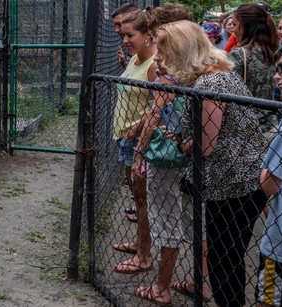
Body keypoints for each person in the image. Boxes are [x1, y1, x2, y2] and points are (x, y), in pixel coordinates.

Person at [155, 20, 268, 307]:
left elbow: (206, 145)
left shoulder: (210, 82)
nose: (157, 57)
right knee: (224, 254)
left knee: (224, 257)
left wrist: (183, 141)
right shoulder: (212, 77)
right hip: (232, 181)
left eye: (162, 50)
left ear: (180, 51)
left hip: (234, 184)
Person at [129, 5, 212, 304]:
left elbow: (155, 114)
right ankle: (200, 283)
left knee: (166, 221)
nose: (158, 57)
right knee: (194, 220)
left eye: (162, 49)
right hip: (194, 160)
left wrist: (139, 152)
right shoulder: (204, 76)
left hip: (167, 160)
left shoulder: (168, 75)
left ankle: (161, 288)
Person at [110, 9, 156, 275]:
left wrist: (138, 127)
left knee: (142, 199)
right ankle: (139, 241)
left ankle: (144, 255)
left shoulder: (153, 67)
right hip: (124, 139)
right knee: (137, 196)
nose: (124, 38)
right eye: (123, 33)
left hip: (139, 143)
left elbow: (160, 107)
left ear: (147, 35)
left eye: (130, 35)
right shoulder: (136, 59)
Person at [256, 46, 282, 307]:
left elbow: (269, 182)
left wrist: (263, 170)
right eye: (278, 69)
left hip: (280, 245)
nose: (277, 76)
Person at [228, 3, 279, 140]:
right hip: (272, 126)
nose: (233, 30)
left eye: (235, 24)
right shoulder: (273, 52)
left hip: (246, 128)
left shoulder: (239, 54)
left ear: (245, 26)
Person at [112, 3, 139, 69]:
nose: (116, 30)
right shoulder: (136, 56)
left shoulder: (155, 62)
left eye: (119, 24)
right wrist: (124, 64)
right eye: (115, 25)